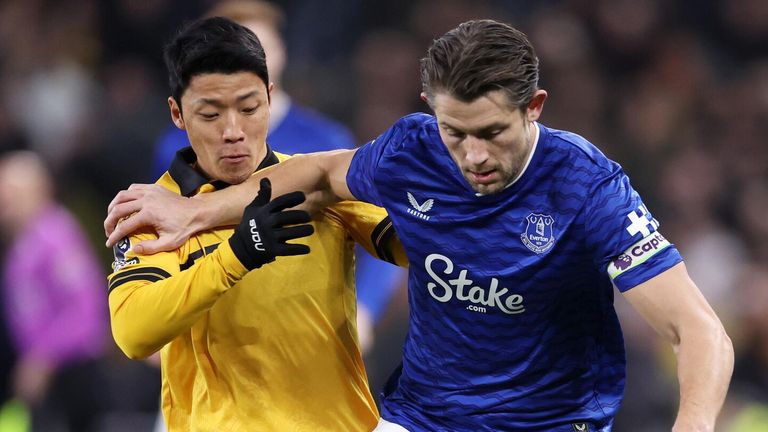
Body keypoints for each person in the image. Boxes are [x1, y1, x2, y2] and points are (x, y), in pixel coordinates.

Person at [105, 19, 734, 431]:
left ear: (535, 107)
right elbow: (320, 173)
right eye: (455, 133)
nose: (473, 156)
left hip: (546, 419)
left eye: (492, 132)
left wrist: (694, 424)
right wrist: (199, 215)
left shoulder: (587, 187)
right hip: (422, 417)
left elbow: (700, 332)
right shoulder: (411, 150)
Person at [107, 17, 405, 431]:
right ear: (177, 113)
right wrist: (236, 256)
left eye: (249, 109)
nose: (233, 131)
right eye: (210, 114)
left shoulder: (318, 187)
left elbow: (419, 247)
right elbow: (133, 333)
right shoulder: (154, 209)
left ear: (270, 97)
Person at [151, 0, 404, 354]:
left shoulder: (327, 142)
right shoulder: (175, 147)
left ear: (281, 52)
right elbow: (160, 239)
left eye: (260, 48)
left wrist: (364, 309)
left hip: (304, 335)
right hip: (210, 339)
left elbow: (379, 226)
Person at [0, 151, 107, 432]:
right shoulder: (23, 241)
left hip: (71, 371)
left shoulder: (56, 235)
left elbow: (86, 308)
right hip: (44, 374)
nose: (5, 201)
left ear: (40, 189)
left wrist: (44, 357)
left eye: (12, 192)